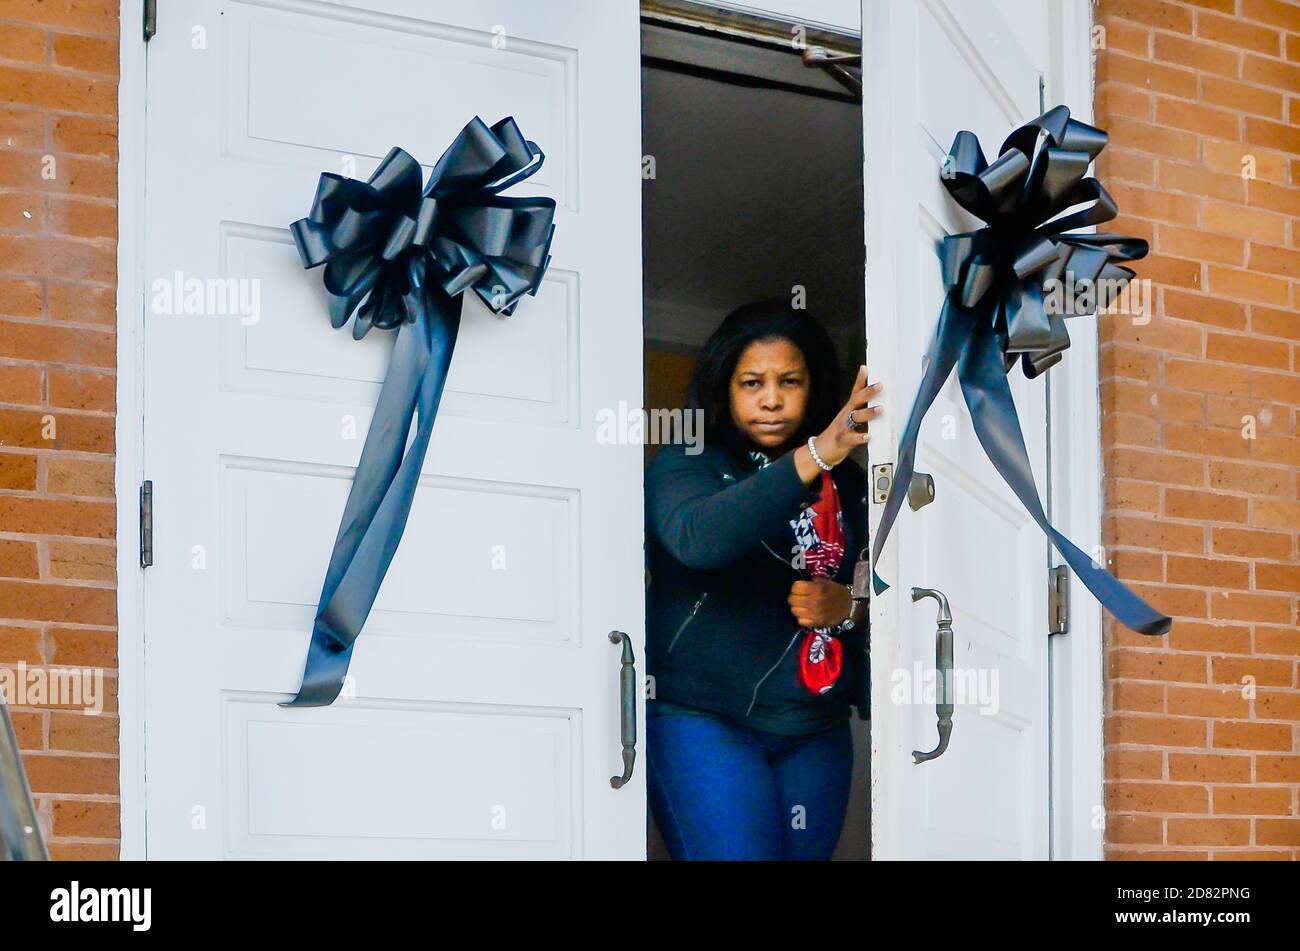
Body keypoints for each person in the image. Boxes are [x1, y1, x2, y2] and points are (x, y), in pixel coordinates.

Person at [645, 298, 883, 861]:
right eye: (752, 382)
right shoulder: (690, 461)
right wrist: (816, 454)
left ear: (812, 386)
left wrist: (848, 607)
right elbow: (699, 540)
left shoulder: (852, 485)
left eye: (789, 381)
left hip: (816, 726)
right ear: (725, 388)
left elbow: (891, 591)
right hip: (703, 718)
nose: (772, 399)